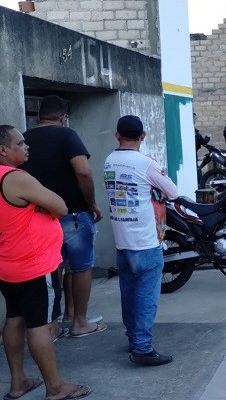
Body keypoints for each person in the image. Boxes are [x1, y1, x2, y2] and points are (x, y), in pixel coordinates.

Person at [0, 125, 92, 400]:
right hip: (33, 264)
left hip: (7, 263)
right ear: (3, 150)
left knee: (14, 317)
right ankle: (55, 387)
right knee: (39, 323)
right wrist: (42, 207)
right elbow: (61, 206)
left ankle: (18, 382)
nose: (26, 146)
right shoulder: (16, 178)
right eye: (20, 143)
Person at [21, 95, 105, 338]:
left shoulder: (23, 139)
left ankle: (54, 324)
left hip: (39, 218)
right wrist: (91, 204)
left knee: (52, 269)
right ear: (62, 117)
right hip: (74, 214)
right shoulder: (67, 135)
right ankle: (79, 322)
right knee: (81, 267)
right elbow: (83, 172)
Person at [104, 115, 178, 366]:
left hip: (122, 243)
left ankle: (132, 337)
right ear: (143, 136)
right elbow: (173, 192)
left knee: (129, 293)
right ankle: (143, 349)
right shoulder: (146, 163)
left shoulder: (109, 161)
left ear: (117, 135)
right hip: (146, 242)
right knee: (146, 297)